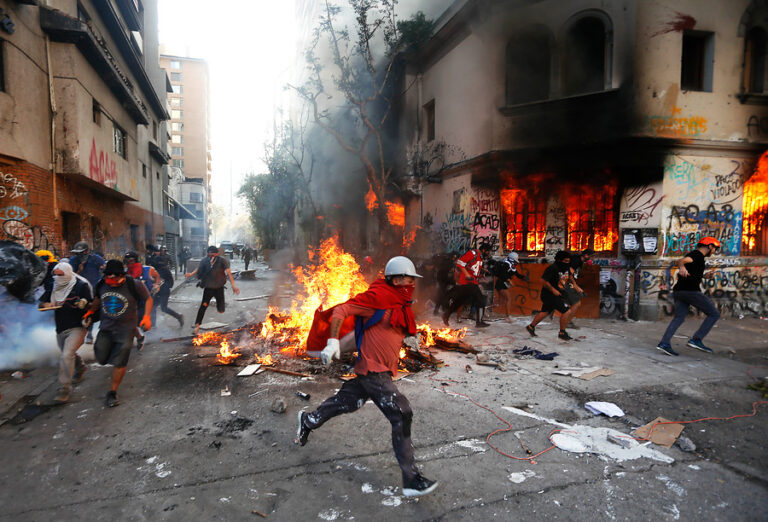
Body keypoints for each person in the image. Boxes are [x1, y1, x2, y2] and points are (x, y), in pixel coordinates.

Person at [296, 256, 438, 498]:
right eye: (408, 279)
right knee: (402, 413)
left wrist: (408, 337)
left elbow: (391, 326)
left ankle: (308, 420)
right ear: (395, 279)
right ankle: (411, 480)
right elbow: (342, 309)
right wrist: (332, 342)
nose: (411, 283)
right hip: (374, 370)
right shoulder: (376, 298)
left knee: (346, 403)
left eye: (413, 279)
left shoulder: (400, 303)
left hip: (376, 370)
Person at [88, 259, 152, 407]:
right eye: (108, 277)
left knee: (120, 361)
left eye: (115, 278)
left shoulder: (134, 284)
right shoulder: (101, 284)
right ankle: (112, 358)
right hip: (106, 328)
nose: (112, 281)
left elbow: (148, 299)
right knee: (101, 357)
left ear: (121, 275)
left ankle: (112, 392)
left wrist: (147, 317)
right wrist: (90, 311)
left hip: (126, 330)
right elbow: (97, 301)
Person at [656, 237, 721, 356]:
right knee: (714, 314)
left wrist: (705, 276)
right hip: (690, 291)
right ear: (710, 246)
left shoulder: (697, 257)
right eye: (715, 248)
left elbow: (693, 274)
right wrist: (681, 266)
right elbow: (681, 261)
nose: (714, 251)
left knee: (679, 317)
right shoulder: (697, 255)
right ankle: (696, 340)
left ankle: (664, 343)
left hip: (679, 291)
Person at [39, 262, 93, 403]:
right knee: (68, 353)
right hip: (61, 328)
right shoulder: (53, 287)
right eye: (55, 275)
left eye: (60, 275)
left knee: (66, 355)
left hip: (78, 327)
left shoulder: (81, 286)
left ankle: (64, 389)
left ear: (68, 273)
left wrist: (84, 304)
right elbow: (41, 303)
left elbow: (92, 305)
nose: (57, 278)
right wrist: (47, 304)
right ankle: (80, 367)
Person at [186, 245, 240, 335]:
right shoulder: (204, 261)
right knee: (203, 307)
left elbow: (229, 273)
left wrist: (233, 286)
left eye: (213, 255)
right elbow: (198, 268)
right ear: (207, 254)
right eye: (210, 255)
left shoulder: (222, 261)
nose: (211, 257)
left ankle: (220, 307)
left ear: (217, 254)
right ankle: (197, 327)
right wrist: (191, 274)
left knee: (221, 310)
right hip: (208, 289)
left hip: (219, 289)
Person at [526, 250, 578, 341]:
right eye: (565, 261)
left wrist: (576, 287)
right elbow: (542, 281)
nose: (567, 263)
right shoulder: (552, 268)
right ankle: (562, 332)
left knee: (545, 312)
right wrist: (553, 290)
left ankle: (531, 327)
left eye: (568, 261)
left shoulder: (566, 268)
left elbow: (570, 278)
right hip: (549, 294)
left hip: (557, 294)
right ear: (559, 260)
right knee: (566, 311)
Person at [442, 243, 492, 328]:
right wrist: (466, 275)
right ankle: (479, 322)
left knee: (459, 301)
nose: (489, 254)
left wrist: (483, 272)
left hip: (470, 283)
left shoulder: (480, 258)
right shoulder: (473, 253)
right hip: (468, 283)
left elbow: (473, 270)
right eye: (488, 252)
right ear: (484, 250)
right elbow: (460, 262)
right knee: (481, 300)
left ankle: (446, 315)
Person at [68, 241, 106, 343]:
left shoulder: (95, 258)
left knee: (93, 309)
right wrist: (79, 270)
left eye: (82, 252)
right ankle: (80, 332)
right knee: (81, 309)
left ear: (87, 251)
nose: (79, 255)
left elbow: (104, 267)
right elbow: (70, 275)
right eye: (78, 253)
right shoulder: (73, 260)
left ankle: (90, 333)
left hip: (94, 289)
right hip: (80, 289)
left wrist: (103, 269)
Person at [124, 251, 162, 351]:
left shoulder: (148, 269)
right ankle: (137, 339)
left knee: (147, 324)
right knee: (132, 323)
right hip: (133, 302)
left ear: (136, 260)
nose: (129, 264)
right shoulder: (125, 273)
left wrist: (157, 285)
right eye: (127, 261)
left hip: (146, 301)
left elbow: (158, 276)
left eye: (131, 261)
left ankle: (150, 339)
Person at [150, 246, 184, 328]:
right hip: (158, 291)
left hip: (164, 292)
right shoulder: (156, 271)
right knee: (153, 307)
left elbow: (171, 283)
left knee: (163, 308)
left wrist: (164, 286)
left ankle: (179, 317)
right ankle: (153, 325)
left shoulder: (164, 270)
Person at [492, 252, 528, 322]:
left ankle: (486, 308)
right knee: (509, 298)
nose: (516, 262)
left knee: (501, 301)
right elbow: (503, 274)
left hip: (501, 284)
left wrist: (523, 277)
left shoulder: (511, 265)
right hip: (501, 284)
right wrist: (509, 280)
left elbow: (516, 274)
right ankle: (508, 317)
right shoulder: (506, 264)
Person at [562, 248, 593, 326]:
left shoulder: (580, 261)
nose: (591, 258)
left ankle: (565, 320)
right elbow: (569, 274)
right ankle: (567, 322)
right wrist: (575, 286)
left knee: (570, 303)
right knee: (577, 303)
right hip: (565, 282)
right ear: (586, 255)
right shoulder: (576, 261)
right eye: (591, 256)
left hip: (567, 283)